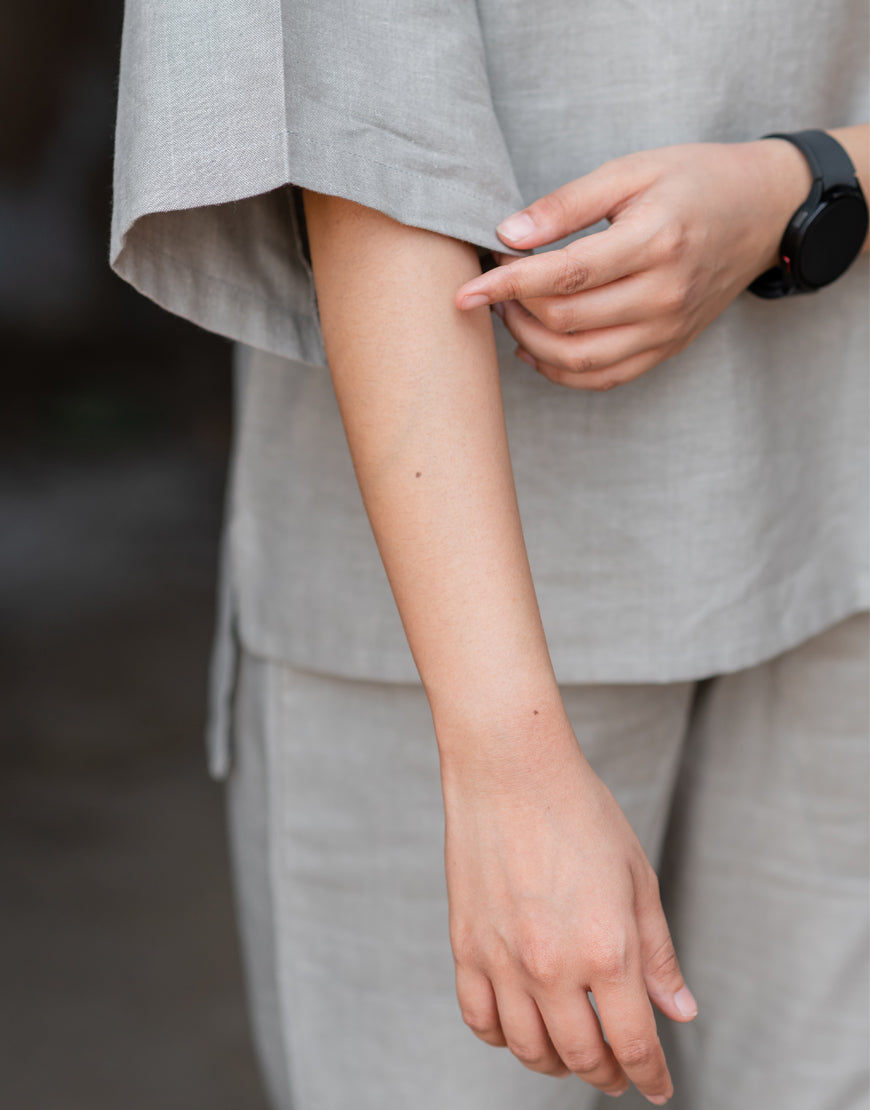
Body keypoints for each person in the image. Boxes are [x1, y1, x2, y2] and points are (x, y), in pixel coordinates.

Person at [110, 2, 869, 1107]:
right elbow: (356, 125)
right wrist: (506, 760)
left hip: (838, 536)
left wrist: (809, 182)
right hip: (457, 602)